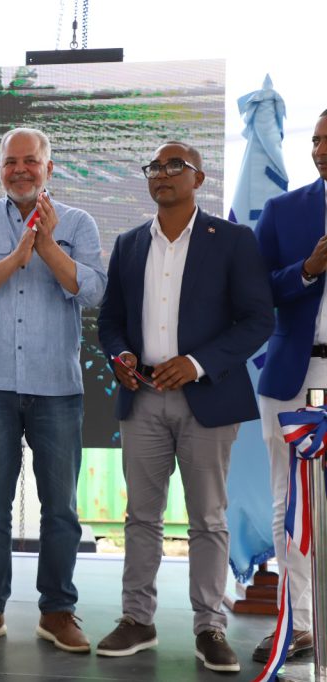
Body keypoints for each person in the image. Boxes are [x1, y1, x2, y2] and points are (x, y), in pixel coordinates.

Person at [96, 142, 274, 672]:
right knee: (141, 518)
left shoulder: (233, 241)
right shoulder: (129, 244)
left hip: (207, 399)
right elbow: (110, 320)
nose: (162, 174)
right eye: (154, 166)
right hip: (143, 395)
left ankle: (210, 627)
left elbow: (257, 320)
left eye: (175, 166)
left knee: (209, 519)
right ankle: (137, 621)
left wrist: (196, 363)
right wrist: (120, 353)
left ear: (199, 177)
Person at [0, 127, 105, 653]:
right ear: (0, 170)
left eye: (30, 161)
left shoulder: (78, 224)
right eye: (11, 162)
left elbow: (92, 290)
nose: (20, 169)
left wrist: (46, 247)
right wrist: (18, 255)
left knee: (60, 508)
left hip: (56, 389)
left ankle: (58, 611)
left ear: (49, 168)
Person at [251, 109, 327, 664]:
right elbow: (255, 293)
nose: (320, 149)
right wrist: (307, 267)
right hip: (295, 379)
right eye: (317, 140)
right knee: (291, 505)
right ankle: (299, 626)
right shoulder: (284, 210)